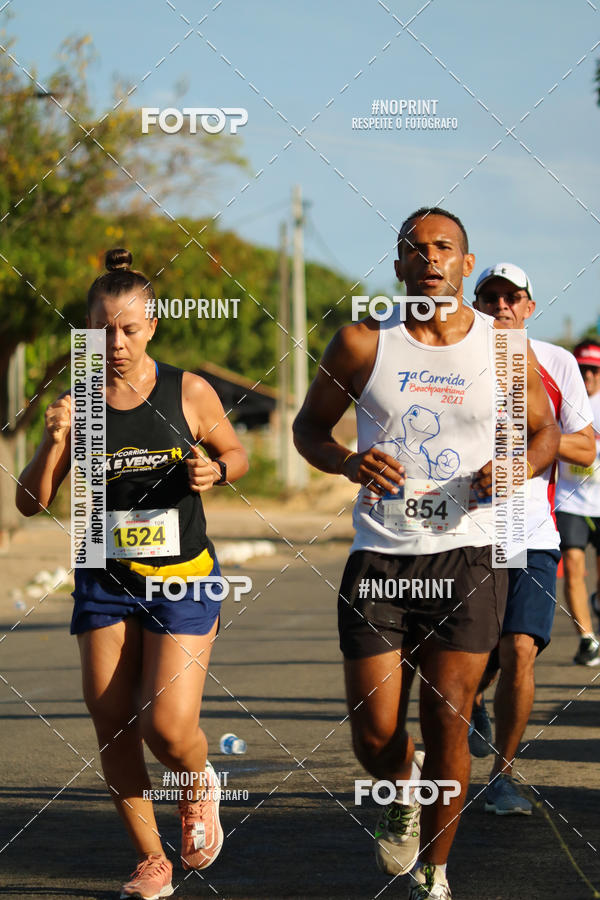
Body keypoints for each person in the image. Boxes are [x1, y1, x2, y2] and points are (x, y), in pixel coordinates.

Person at [293, 208, 559, 900]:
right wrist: (350, 463)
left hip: (468, 555)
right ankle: (399, 787)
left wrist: (515, 468)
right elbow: (308, 430)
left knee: (448, 714)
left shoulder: (504, 347)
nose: (431, 257)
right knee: (375, 735)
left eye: (445, 248)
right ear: (398, 265)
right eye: (416, 248)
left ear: (466, 265)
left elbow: (546, 434)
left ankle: (435, 874)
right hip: (380, 557)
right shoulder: (360, 343)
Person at [16, 249, 248, 900]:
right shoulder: (77, 401)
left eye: (128, 329)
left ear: (151, 328)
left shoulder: (188, 390)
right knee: (113, 720)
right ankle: (152, 860)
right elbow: (30, 503)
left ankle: (198, 780)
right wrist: (52, 442)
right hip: (102, 575)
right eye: (102, 330)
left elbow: (236, 452)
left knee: (167, 729)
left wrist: (216, 470)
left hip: (182, 575)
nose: (115, 343)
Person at [471, 264, 594, 814]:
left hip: (528, 530)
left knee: (520, 648)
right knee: (474, 655)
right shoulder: (451, 361)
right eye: (489, 296)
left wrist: (532, 441)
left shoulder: (557, 363)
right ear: (474, 304)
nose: (501, 306)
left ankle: (503, 774)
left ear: (529, 306)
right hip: (461, 531)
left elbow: (587, 450)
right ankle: (473, 699)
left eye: (512, 297)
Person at [555, 339, 600, 665]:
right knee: (572, 566)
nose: (587, 376)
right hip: (570, 499)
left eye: (594, 370)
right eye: (582, 369)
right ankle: (586, 639)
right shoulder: (563, 400)